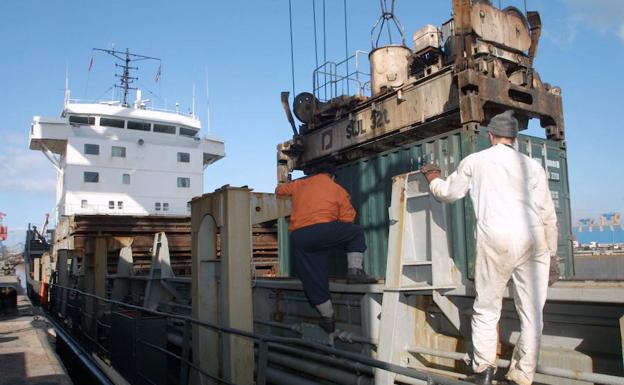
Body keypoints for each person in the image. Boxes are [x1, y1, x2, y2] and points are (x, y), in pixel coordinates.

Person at [420, 110, 558, 385]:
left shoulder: (476, 161)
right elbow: (547, 213)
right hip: (534, 241)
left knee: (486, 309)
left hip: (495, 240)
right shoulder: (532, 166)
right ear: (515, 138)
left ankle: (484, 371)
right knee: (532, 313)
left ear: (491, 136)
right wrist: (552, 254)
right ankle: (521, 375)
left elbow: (449, 193)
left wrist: (434, 179)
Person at [275, 166, 377, 333]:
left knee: (313, 276)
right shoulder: (338, 189)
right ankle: (355, 271)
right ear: (332, 177)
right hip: (324, 231)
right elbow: (347, 219)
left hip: (300, 236)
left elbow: (279, 190)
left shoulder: (299, 184)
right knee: (356, 233)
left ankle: (327, 317)